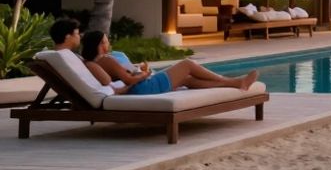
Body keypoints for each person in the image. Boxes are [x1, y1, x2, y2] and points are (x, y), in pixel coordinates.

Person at [79, 31, 258, 96]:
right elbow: (128, 80)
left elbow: (123, 79)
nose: (109, 43)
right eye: (106, 41)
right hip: (143, 87)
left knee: (187, 79)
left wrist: (138, 70)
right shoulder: (106, 60)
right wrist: (144, 74)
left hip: (140, 87)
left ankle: (234, 84)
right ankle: (230, 81)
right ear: (100, 45)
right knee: (187, 64)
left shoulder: (96, 62)